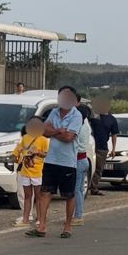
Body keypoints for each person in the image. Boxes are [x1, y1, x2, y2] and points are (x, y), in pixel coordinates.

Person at [29, 86, 83, 239]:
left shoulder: (76, 116)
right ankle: (42, 226)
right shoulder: (54, 112)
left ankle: (67, 226)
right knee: (45, 193)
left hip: (67, 162)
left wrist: (54, 131)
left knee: (68, 195)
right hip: (51, 160)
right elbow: (43, 131)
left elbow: (69, 137)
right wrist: (60, 130)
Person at [12, 117, 48, 227]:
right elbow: (17, 151)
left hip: (37, 171)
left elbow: (46, 154)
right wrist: (14, 156)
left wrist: (37, 152)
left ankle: (40, 219)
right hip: (25, 171)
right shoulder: (25, 138)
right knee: (27, 196)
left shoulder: (43, 140)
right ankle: (26, 219)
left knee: (39, 196)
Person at [89, 96, 119, 195]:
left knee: (98, 169)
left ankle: (94, 188)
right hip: (90, 146)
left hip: (102, 148)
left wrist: (113, 149)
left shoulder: (112, 119)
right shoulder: (94, 116)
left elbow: (114, 135)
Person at [72, 101, 93, 227]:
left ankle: (78, 216)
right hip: (84, 159)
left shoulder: (79, 126)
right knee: (79, 189)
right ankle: (78, 214)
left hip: (78, 160)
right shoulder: (86, 126)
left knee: (76, 190)